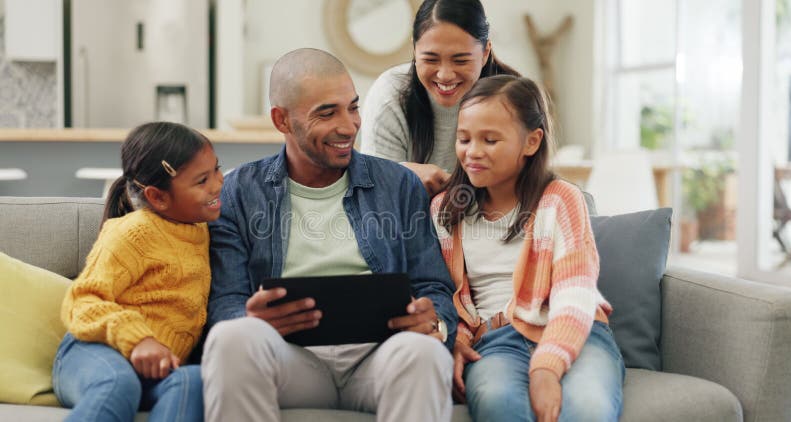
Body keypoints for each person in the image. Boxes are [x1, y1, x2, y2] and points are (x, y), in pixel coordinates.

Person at [201, 48, 457, 422]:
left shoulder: (398, 185)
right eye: (327, 113)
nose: (349, 126)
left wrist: (434, 322)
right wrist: (246, 318)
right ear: (282, 120)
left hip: (379, 356)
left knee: (426, 352)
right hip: (292, 360)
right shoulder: (238, 193)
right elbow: (225, 302)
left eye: (352, 108)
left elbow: (434, 286)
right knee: (231, 339)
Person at [431, 75, 625, 422]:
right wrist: (454, 341)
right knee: (497, 401)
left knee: (587, 407)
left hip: (576, 331)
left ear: (531, 142)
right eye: (464, 139)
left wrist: (546, 368)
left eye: (490, 140)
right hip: (495, 342)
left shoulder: (562, 200)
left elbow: (575, 293)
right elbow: (446, 296)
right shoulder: (445, 211)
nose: (472, 152)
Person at [54, 122, 224, 422]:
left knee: (195, 381)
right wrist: (138, 339)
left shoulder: (200, 228)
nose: (218, 184)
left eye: (217, 170)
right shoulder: (134, 232)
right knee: (118, 383)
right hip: (92, 353)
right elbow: (82, 301)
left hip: (158, 371)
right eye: (202, 181)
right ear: (158, 197)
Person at [360, 0, 520, 196]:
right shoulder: (390, 95)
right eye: (430, 59)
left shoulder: (513, 99)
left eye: (460, 60)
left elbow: (521, 190)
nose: (445, 75)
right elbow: (373, 192)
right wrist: (403, 174)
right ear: (414, 49)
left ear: (485, 52)